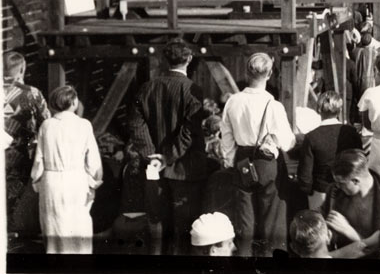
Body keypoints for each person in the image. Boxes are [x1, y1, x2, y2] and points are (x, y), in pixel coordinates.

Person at [126, 39, 207, 255]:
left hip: (154, 168)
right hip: (184, 170)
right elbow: (189, 131)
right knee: (183, 230)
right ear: (189, 59)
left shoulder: (147, 87)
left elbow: (135, 124)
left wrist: (151, 155)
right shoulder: (192, 90)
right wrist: (167, 157)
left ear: (164, 60)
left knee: (156, 225)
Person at [220, 52, 296, 257]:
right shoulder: (273, 105)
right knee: (272, 221)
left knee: (244, 221)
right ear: (269, 74)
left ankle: (243, 259)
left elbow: (226, 138)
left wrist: (231, 161)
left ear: (247, 72)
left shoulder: (233, 102)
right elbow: (288, 142)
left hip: (242, 161)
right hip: (266, 163)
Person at [30, 85, 102, 254]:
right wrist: (94, 180)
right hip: (76, 180)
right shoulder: (84, 125)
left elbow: (39, 159)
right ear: (74, 102)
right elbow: (93, 159)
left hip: (51, 181)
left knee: (53, 227)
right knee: (78, 227)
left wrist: (36, 180)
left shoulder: (46, 125)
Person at [321, 150, 380, 259]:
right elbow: (322, 214)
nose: (337, 186)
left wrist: (348, 231)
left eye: (341, 183)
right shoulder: (334, 191)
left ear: (355, 181)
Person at [3, 51, 50, 236]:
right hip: (19, 156)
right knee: (13, 197)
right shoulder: (31, 93)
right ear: (22, 69)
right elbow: (46, 123)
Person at [297, 90, 362, 209]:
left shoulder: (311, 137)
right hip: (348, 190)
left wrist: (307, 191)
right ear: (340, 110)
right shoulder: (351, 133)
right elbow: (361, 162)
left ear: (319, 110)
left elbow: (305, 175)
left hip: (321, 193)